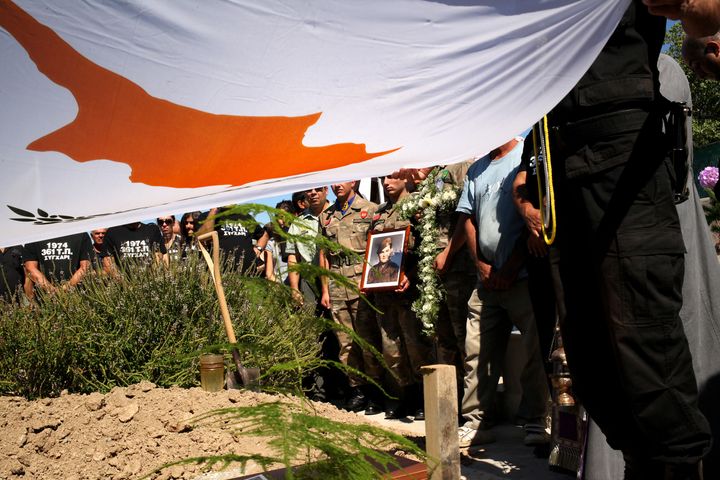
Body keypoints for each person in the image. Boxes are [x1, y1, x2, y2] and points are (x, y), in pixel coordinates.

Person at [545, 2, 718, 477]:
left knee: (645, 346)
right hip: (556, 151)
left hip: (622, 148)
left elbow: (705, 13)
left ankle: (676, 466)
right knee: (591, 357)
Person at [454, 138, 549, 448]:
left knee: (538, 348)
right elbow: (467, 218)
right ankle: (475, 421)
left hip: (523, 276)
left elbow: (533, 217)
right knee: (476, 350)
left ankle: (535, 420)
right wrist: (481, 266)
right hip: (486, 282)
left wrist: (510, 267)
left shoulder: (527, 157)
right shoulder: (477, 169)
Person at [368, 173, 433, 420]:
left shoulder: (419, 205)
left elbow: (426, 244)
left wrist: (411, 274)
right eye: (384, 178)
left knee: (416, 347)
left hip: (410, 291)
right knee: (391, 350)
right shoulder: (379, 213)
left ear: (405, 178)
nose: (386, 183)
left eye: (393, 177)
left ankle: (424, 399)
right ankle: (405, 396)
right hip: (384, 294)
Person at [319, 181, 383, 414]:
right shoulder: (326, 216)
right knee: (345, 343)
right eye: (333, 181)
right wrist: (325, 289)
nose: (337, 185)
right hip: (336, 282)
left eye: (342, 179)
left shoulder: (370, 209)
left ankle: (377, 391)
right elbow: (323, 253)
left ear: (354, 180)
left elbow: (379, 248)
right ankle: (358, 390)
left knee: (367, 340)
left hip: (360, 281)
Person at [287, 186, 330, 305]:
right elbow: (293, 258)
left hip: (335, 279)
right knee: (312, 322)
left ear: (326, 190)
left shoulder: (337, 215)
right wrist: (295, 288)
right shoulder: (298, 223)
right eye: (309, 190)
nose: (313, 193)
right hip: (309, 282)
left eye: (318, 189)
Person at [195, 206, 263, 274]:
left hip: (248, 275)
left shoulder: (246, 216)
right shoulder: (206, 216)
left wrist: (259, 248)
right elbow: (203, 237)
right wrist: (213, 210)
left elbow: (263, 235)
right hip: (219, 275)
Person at [23, 233, 93, 295]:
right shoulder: (34, 235)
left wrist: (66, 287)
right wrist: (51, 289)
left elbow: (85, 267)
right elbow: (30, 268)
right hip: (44, 297)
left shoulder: (80, 233)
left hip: (77, 295)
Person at [102, 221, 167, 274]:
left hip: (150, 282)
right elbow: (108, 262)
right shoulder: (112, 232)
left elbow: (158, 257)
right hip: (123, 285)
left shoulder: (152, 230)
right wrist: (125, 284)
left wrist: (152, 279)